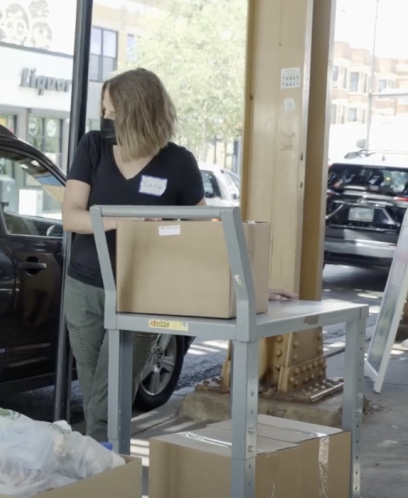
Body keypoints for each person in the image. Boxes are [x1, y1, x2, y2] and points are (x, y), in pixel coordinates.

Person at [61, 69, 296, 443]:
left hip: (143, 294)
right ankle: (103, 465)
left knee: (111, 394)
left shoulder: (178, 164)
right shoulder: (92, 147)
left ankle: (101, 465)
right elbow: (71, 216)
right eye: (103, 111)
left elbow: (203, 235)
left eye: (112, 112)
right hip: (85, 287)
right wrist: (126, 219)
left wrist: (250, 285)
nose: (105, 120)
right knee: (94, 390)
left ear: (138, 113)